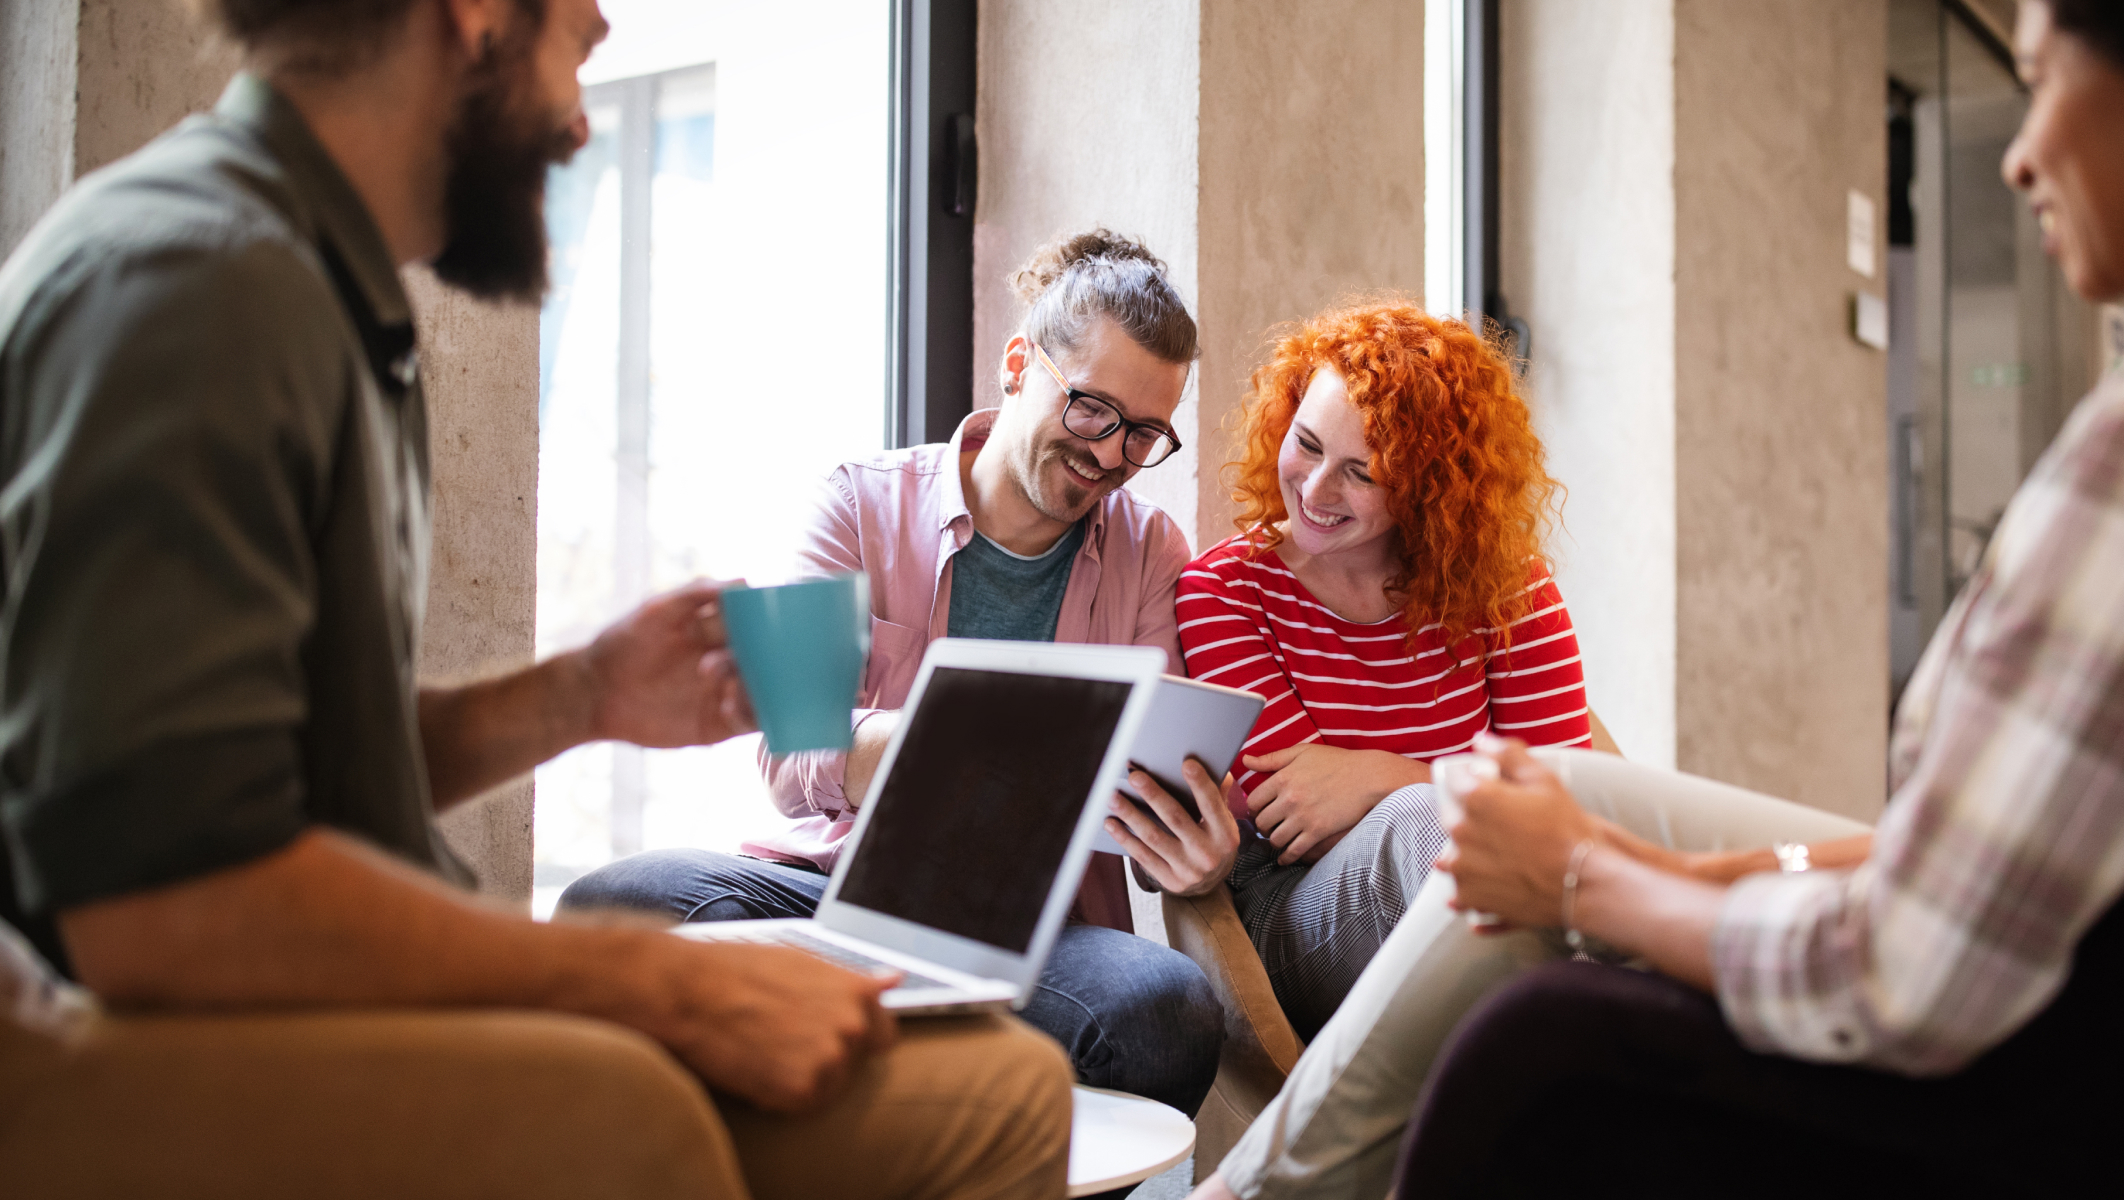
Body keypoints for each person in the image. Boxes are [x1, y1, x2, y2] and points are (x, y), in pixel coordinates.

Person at [1197, 0, 2124, 1195]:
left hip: (2052, 1050)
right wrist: (1611, 860)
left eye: (2043, 82)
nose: (2023, 153)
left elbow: (1918, 961)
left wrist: (1584, 882)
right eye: (1313, 449)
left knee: (1502, 885)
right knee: (1537, 797)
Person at [0, 1, 1069, 1196]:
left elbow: (272, 768)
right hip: (155, 1046)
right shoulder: (200, 289)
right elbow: (165, 895)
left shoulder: (310, 287)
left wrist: (576, 696)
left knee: (999, 1082)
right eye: (575, 26)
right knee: (640, 1112)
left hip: (293, 1006)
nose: (591, 71)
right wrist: (657, 979)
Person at [560, 230, 1233, 1121]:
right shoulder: (849, 498)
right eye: (1090, 411)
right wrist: (965, 738)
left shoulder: (1153, 550)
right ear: (1017, 363)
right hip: (828, 887)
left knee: (1165, 1010)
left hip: (1039, 929)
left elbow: (1147, 789)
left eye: (1144, 433)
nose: (1111, 455)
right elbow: (787, 752)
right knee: (616, 904)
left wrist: (1192, 854)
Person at [1174, 301, 1606, 1038]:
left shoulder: (1506, 585)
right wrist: (1443, 789)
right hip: (1299, 913)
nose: (1313, 491)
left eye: (1360, 473)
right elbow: (1298, 815)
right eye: (1305, 445)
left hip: (1490, 907)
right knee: (1431, 825)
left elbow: (1566, 801)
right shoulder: (1223, 591)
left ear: (1427, 487)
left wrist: (1380, 773)